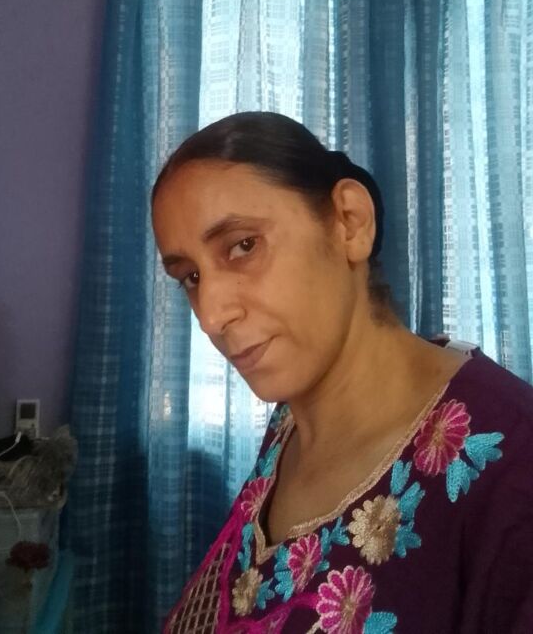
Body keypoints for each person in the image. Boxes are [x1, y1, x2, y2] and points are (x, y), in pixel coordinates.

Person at [151, 111, 533, 634]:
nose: (212, 315)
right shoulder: (292, 421)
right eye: (191, 276)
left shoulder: (511, 468)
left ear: (350, 222)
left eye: (243, 246)